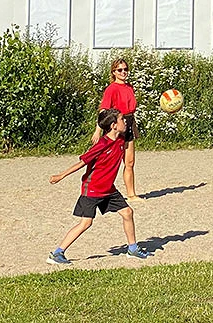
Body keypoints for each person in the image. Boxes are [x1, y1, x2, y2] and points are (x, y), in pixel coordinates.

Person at [47, 108, 150, 265]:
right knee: (86, 223)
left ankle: (133, 249)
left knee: (128, 212)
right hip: (93, 189)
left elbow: (134, 132)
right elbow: (82, 162)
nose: (125, 122)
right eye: (122, 119)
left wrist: (132, 122)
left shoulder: (121, 139)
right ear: (114, 125)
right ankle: (57, 253)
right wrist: (61, 175)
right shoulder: (102, 144)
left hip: (109, 189)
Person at [93, 59, 143, 201]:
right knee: (109, 162)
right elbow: (104, 111)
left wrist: (133, 126)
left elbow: (131, 110)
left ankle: (131, 194)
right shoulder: (111, 89)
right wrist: (98, 130)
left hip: (129, 123)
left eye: (125, 69)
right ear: (113, 72)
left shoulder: (129, 87)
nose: (123, 72)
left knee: (130, 162)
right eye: (119, 70)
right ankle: (100, 191)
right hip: (116, 125)